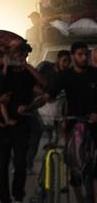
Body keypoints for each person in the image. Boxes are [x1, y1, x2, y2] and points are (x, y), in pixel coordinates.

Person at [0, 45, 47, 203]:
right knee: (1, 167)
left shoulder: (27, 74)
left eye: (21, 55)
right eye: (15, 55)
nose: (18, 58)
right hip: (0, 126)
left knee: (20, 163)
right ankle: (5, 199)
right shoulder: (1, 72)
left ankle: (18, 195)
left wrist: (27, 66)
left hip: (21, 124)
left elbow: (44, 85)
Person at [45, 41, 97, 202]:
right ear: (73, 56)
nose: (83, 58)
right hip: (74, 123)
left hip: (94, 124)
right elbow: (50, 94)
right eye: (80, 55)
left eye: (85, 54)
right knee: (72, 163)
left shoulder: (94, 73)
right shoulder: (65, 76)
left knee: (92, 166)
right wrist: (34, 105)